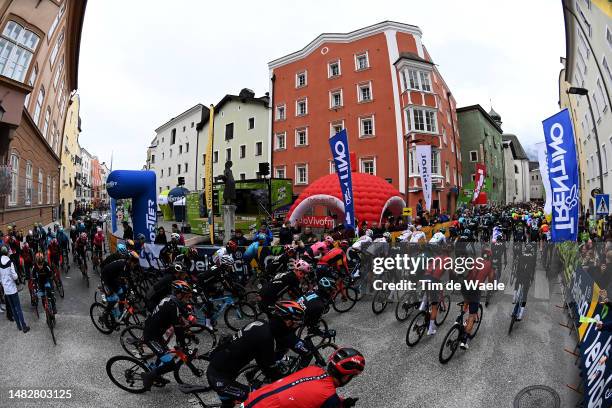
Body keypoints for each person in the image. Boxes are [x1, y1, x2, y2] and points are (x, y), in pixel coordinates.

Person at [207, 301, 309, 408]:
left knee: (228, 404)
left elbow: (262, 361)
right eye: (295, 323)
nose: (294, 327)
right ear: (287, 321)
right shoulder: (266, 337)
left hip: (220, 370)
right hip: (219, 379)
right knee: (258, 398)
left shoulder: (261, 324)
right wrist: (286, 382)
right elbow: (269, 370)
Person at [241, 347, 364, 407]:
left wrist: (340, 402)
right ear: (346, 376)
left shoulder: (313, 369)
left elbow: (310, 393)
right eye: (352, 376)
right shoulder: (330, 398)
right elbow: (324, 398)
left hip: (252, 399)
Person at [142, 280, 194, 391]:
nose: (188, 299)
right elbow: (177, 327)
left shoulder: (171, 299)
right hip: (151, 337)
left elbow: (181, 311)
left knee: (165, 352)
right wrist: (183, 344)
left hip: (157, 332)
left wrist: (188, 316)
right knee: (170, 364)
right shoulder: (172, 305)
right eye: (187, 296)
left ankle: (155, 373)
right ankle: (149, 376)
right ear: (179, 294)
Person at [459, 248, 495, 350]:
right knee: (472, 316)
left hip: (465, 285)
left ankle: (459, 319)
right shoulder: (489, 265)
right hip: (476, 289)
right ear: (489, 256)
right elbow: (491, 279)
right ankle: (464, 341)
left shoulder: (476, 260)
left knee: (467, 300)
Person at [0, 246, 29, 333]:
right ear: (7, 253)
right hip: (12, 289)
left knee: (13, 308)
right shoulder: (10, 262)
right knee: (18, 308)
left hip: (6, 290)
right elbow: (15, 276)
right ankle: (24, 326)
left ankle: (19, 326)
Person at [514, 242, 537, 321]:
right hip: (527, 278)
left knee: (518, 289)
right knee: (524, 296)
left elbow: (517, 268)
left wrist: (517, 275)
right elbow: (533, 269)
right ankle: (520, 315)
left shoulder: (521, 256)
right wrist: (532, 278)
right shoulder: (533, 258)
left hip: (520, 276)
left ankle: (515, 295)